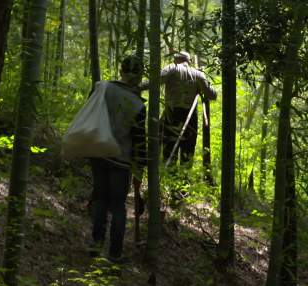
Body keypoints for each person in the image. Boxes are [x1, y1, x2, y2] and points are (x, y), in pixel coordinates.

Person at [89, 55, 147, 264]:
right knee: (118, 205)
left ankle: (95, 246)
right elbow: (140, 141)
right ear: (140, 75)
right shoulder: (138, 105)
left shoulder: (102, 88)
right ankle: (114, 254)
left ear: (121, 70)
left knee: (100, 199)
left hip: (98, 152)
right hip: (121, 160)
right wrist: (139, 170)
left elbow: (90, 115)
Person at [152, 51, 217, 166]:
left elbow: (155, 81)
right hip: (190, 116)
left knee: (169, 149)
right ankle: (184, 179)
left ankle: (169, 178)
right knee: (188, 150)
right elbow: (212, 95)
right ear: (189, 61)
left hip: (172, 115)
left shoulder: (171, 68)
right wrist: (205, 80)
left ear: (176, 60)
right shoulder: (198, 74)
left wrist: (136, 87)